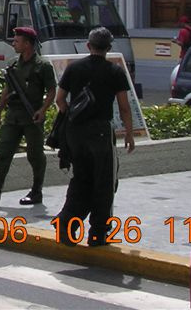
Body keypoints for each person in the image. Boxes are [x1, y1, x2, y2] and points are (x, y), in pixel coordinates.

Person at [54, 26, 135, 247]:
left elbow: (60, 100)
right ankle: (99, 233)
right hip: (100, 132)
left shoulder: (74, 68)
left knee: (81, 178)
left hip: (75, 132)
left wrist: (71, 115)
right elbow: (124, 107)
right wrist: (129, 133)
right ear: (109, 48)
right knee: (104, 183)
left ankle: (67, 222)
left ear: (88, 46)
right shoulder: (115, 71)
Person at [0, 26, 56, 206]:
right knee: (4, 152)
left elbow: (51, 91)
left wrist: (42, 110)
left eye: (17, 41)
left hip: (31, 116)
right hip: (13, 116)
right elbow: (7, 90)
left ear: (27, 44)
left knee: (35, 155)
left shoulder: (43, 66)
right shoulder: (13, 64)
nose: (13, 44)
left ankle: (36, 191)